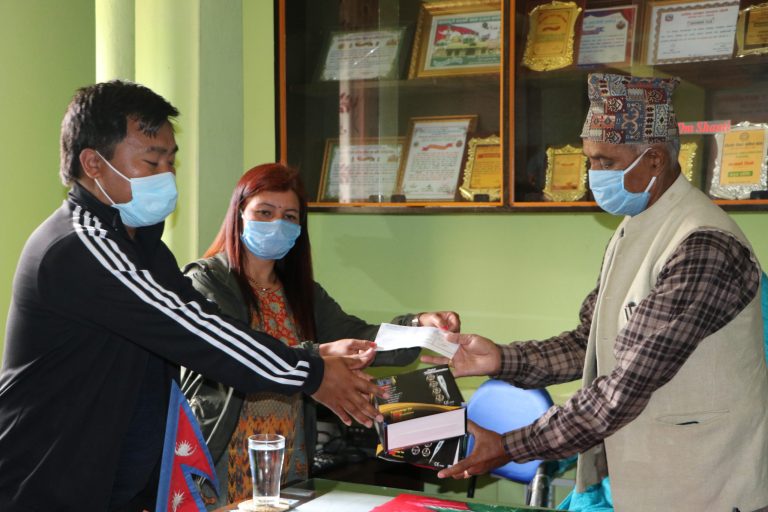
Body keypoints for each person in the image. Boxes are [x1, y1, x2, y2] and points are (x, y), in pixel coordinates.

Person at [0, 80, 385, 512]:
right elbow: (194, 331)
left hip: (115, 487)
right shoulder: (80, 246)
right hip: (46, 483)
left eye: (171, 161)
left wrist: (316, 356)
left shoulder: (142, 245)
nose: (166, 175)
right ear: (93, 163)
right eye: (152, 161)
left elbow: (210, 319)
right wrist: (311, 374)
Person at [423, 74, 768, 511]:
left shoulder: (702, 245)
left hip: (705, 485)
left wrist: (510, 446)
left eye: (605, 161)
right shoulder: (637, 224)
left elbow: (627, 385)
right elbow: (589, 342)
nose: (594, 176)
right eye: (590, 160)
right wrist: (501, 359)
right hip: (645, 479)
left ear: (655, 160)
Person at [181, 163, 461, 507]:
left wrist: (419, 327)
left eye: (289, 217)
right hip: (221, 457)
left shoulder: (302, 292)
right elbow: (238, 355)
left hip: (288, 461)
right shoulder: (207, 280)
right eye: (264, 212)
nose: (277, 224)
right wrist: (319, 355)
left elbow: (361, 340)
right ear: (238, 215)